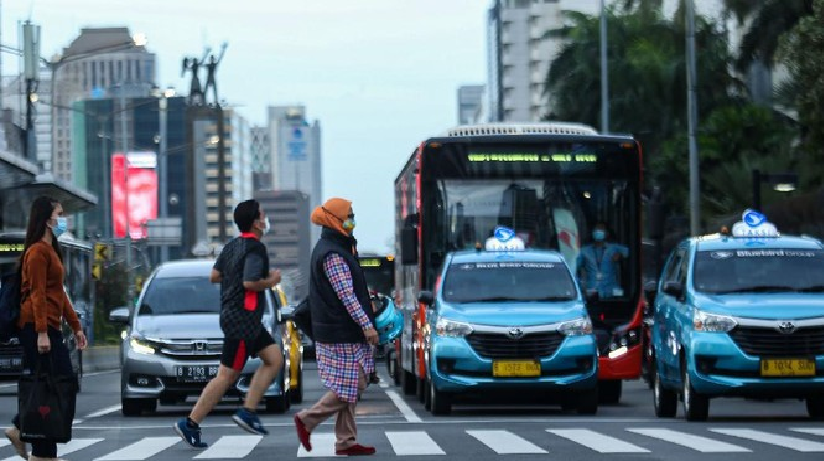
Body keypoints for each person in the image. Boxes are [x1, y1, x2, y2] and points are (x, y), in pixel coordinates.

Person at [175, 199, 283, 448]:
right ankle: (191, 423)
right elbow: (250, 282)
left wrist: (235, 277)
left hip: (241, 318)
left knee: (274, 358)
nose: (265, 220)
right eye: (263, 215)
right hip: (243, 320)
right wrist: (271, 280)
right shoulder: (255, 248)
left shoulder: (232, 246)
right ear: (256, 222)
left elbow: (215, 276)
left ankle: (248, 411)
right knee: (226, 376)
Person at [294, 198, 379, 456]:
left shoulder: (336, 246)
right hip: (340, 330)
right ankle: (307, 419)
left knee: (348, 384)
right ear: (334, 219)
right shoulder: (332, 253)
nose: (352, 220)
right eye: (348, 216)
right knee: (355, 384)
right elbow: (347, 296)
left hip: (337, 328)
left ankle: (346, 441)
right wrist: (367, 325)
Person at [4, 196, 87, 461]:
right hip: (36, 327)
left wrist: (76, 327)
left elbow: (59, 295)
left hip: (48, 325)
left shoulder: (52, 250)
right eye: (60, 214)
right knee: (52, 384)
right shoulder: (37, 252)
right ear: (47, 219)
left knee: (57, 384)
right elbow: (38, 294)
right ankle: (37, 445)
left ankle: (28, 436)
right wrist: (41, 332)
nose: (64, 219)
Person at [576, 222, 629, 299]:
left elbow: (631, 251)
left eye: (601, 229)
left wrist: (620, 255)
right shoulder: (584, 251)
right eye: (596, 230)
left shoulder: (613, 248)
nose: (598, 232)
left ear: (606, 233)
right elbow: (574, 266)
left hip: (611, 291)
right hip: (591, 292)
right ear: (592, 233)